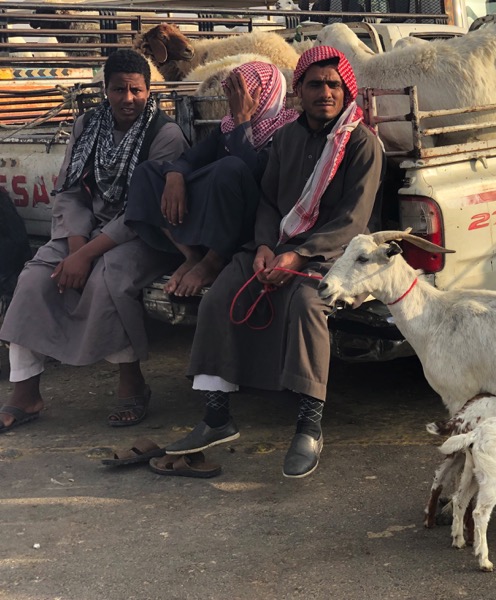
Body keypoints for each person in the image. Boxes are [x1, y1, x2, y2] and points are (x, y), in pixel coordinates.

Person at [161, 46, 385, 478]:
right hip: (274, 244)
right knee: (220, 295)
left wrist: (297, 254)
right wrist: (264, 246)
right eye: (315, 84)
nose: (325, 92)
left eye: (334, 85)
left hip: (332, 253)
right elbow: (266, 201)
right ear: (298, 90)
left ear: (346, 91)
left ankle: (309, 424)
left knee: (305, 305)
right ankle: (216, 416)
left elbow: (353, 220)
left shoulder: (361, 143)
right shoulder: (286, 138)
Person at [0, 49, 189, 433]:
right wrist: (75, 248)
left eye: (136, 90)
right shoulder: (88, 125)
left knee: (109, 280)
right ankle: (25, 392)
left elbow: (143, 211)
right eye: (119, 90)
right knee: (33, 279)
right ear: (106, 90)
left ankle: (132, 383)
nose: (128, 99)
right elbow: (68, 190)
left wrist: (86, 255)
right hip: (82, 231)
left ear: (148, 91)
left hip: (142, 234)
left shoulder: (164, 134)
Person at [125, 61, 298, 297]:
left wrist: (242, 121)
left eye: (243, 93)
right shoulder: (227, 127)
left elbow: (253, 171)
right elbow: (191, 158)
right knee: (147, 173)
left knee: (230, 167)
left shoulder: (286, 130)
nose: (236, 100)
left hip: (251, 223)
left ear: (266, 93)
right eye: (233, 93)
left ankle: (213, 262)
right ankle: (192, 255)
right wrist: (174, 174)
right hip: (217, 217)